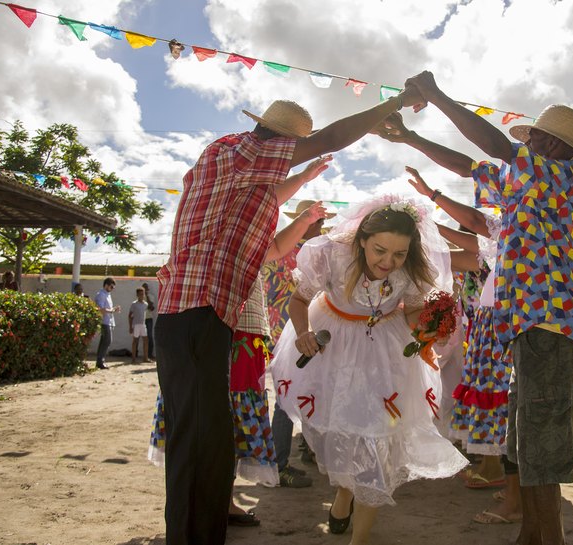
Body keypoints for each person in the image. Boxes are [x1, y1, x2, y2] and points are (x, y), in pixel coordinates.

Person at [154, 86, 424, 545]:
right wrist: (390, 105)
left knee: (213, 438)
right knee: (198, 437)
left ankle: (205, 530)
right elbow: (332, 137)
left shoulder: (249, 192)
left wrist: (303, 196)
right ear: (276, 140)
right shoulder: (236, 151)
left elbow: (275, 248)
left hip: (212, 316)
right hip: (191, 309)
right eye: (293, 151)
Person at [375, 71, 573, 545]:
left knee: (542, 436)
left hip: (548, 320)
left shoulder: (559, 177)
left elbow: (494, 146)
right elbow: (471, 167)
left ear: (557, 148)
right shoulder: (525, 180)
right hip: (524, 323)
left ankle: (546, 537)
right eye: (530, 134)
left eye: (536, 135)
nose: (528, 138)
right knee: (525, 436)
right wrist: (412, 136)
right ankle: (532, 534)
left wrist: (436, 97)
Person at [269, 195, 468, 545]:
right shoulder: (332, 255)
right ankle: (345, 493)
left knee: (378, 442)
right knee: (346, 433)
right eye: (380, 250)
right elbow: (298, 300)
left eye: (399, 254)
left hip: (386, 357)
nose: (388, 262)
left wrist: (429, 326)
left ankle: (359, 539)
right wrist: (303, 333)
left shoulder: (411, 269)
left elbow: (411, 311)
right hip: (336, 353)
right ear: (362, 239)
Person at [149, 201, 330, 528]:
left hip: (248, 334)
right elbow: (275, 256)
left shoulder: (244, 243)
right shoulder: (216, 241)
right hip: (228, 332)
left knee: (230, 419)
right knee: (216, 416)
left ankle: (222, 499)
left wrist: (304, 218)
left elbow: (272, 255)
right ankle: (210, 501)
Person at [401, 166, 521, 523]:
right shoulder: (497, 245)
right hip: (487, 331)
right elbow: (453, 250)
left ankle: (511, 490)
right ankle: (508, 484)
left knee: (503, 405)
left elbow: (468, 226)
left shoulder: (514, 232)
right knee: (494, 402)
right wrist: (418, 223)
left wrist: (430, 200)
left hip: (500, 332)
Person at [264, 199, 336, 487]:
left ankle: (305, 448)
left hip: (291, 329)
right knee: (286, 397)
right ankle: (279, 464)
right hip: (294, 332)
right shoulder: (294, 255)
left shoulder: (279, 251)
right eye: (316, 222)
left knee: (307, 389)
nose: (320, 228)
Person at [94, 277, 120, 370]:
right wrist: (112, 310)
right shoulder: (101, 294)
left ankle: (100, 361)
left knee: (104, 341)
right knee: (107, 341)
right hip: (104, 321)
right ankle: (100, 361)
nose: (112, 289)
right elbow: (101, 309)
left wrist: (112, 310)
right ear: (106, 285)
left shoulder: (107, 294)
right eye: (111, 287)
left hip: (107, 321)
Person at [129, 288, 150, 364]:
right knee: (135, 341)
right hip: (136, 324)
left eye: (143, 294)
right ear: (137, 295)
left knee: (146, 340)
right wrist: (130, 326)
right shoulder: (134, 304)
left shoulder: (145, 304)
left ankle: (145, 357)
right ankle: (133, 358)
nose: (142, 295)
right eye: (140, 294)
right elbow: (130, 315)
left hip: (143, 324)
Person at [142, 282, 156, 361]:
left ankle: (150, 354)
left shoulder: (151, 296)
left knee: (150, 336)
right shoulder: (139, 297)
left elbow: (151, 307)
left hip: (148, 318)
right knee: (139, 337)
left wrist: (147, 296)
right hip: (141, 319)